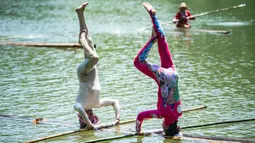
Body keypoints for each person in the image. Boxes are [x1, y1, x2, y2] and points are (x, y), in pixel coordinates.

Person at [134, 2, 182, 136]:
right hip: (164, 77)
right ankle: (152, 39)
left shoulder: (179, 112)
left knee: (163, 42)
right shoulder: (163, 115)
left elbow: (174, 116)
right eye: (164, 128)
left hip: (173, 73)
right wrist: (138, 131)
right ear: (166, 126)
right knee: (138, 62)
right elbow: (140, 116)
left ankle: (153, 17)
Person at [73, 2, 120, 130]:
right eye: (92, 116)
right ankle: (80, 13)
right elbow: (115, 102)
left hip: (82, 73)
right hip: (91, 69)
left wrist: (88, 125)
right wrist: (117, 117)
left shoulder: (79, 105)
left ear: (83, 118)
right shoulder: (97, 104)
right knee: (90, 40)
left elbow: (80, 110)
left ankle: (82, 41)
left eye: (89, 116)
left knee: (94, 57)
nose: (91, 114)